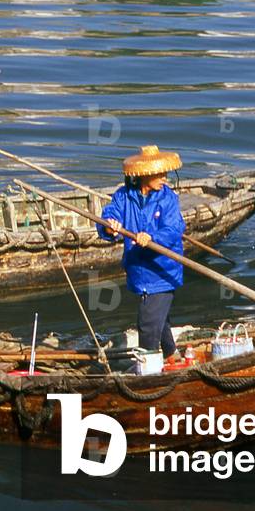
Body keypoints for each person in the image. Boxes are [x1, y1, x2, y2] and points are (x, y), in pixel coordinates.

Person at [97, 145, 186, 363]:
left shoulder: (168, 199)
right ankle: (172, 356)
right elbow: (110, 215)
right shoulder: (123, 196)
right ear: (144, 175)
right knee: (159, 320)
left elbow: (174, 229)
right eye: (160, 174)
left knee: (147, 324)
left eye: (165, 173)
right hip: (138, 269)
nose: (164, 178)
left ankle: (148, 371)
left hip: (163, 271)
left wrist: (151, 238)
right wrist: (110, 226)